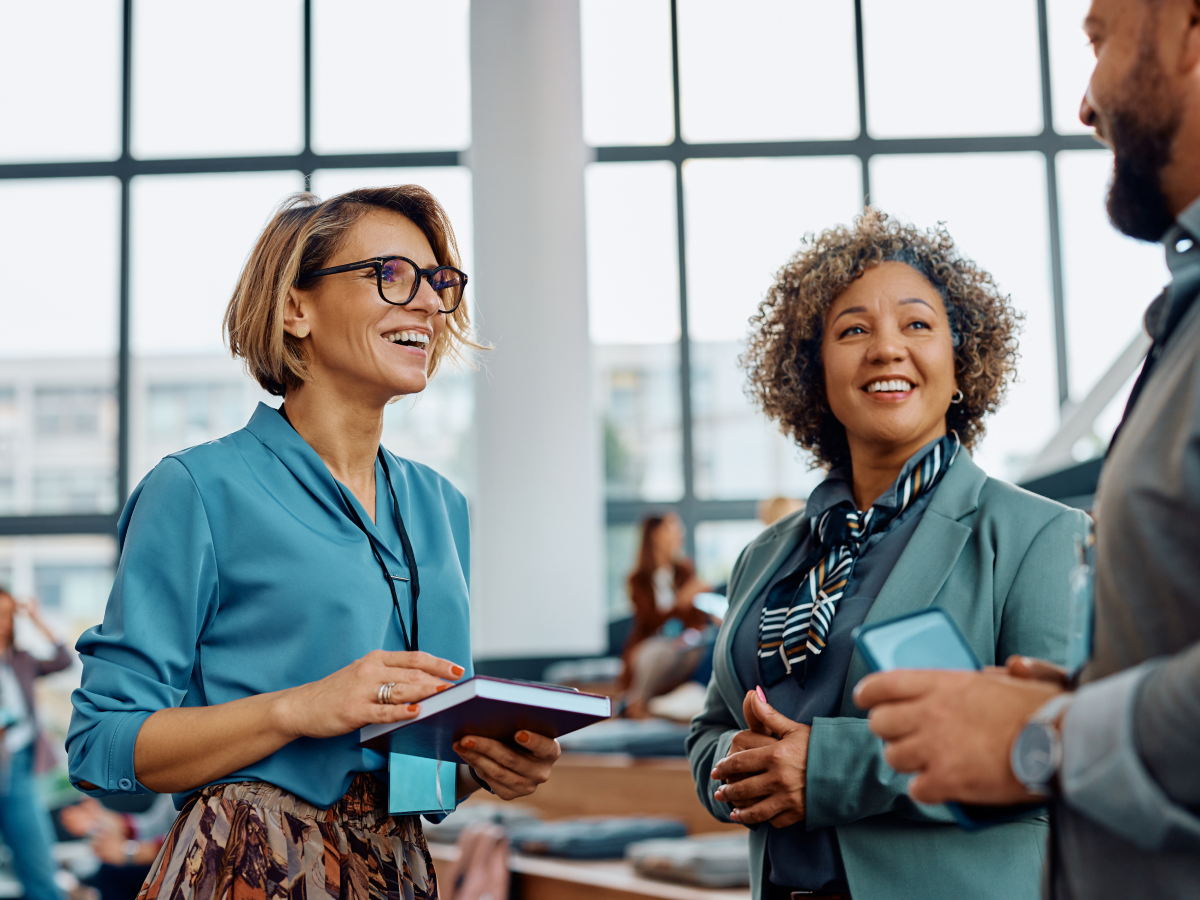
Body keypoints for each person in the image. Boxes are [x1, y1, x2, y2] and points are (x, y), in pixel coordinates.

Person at [66, 187, 564, 900]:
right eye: (391, 275)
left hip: (397, 868)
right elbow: (100, 744)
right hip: (244, 864)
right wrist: (296, 708)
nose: (426, 302)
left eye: (438, 283)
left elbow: (418, 780)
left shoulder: (440, 506)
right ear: (295, 308)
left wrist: (480, 766)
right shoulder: (198, 489)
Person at [854, 1, 1200, 896]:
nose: (1086, 104)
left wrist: (1048, 732)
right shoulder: (1182, 323)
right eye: (850, 330)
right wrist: (1080, 697)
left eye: (1100, 40)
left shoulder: (1027, 528)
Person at [686, 210, 1090, 900]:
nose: (885, 349)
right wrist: (738, 767)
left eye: (917, 325)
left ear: (961, 364)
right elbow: (709, 731)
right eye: (852, 330)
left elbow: (1056, 751)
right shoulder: (766, 558)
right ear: (815, 375)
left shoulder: (1039, 537)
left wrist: (826, 770)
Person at [0, 589, 71, 900]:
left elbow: (63, 659)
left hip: (19, 768)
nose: (1, 621)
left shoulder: (22, 660)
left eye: (6, 614)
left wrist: (35, 616)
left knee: (39, 868)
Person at [619, 514, 712, 717]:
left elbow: (696, 619)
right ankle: (638, 702)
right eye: (672, 528)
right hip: (651, 645)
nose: (679, 533)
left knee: (709, 644)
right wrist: (681, 602)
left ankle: (645, 703)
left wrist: (702, 602)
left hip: (684, 644)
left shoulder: (684, 571)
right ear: (655, 535)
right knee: (658, 652)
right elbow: (648, 621)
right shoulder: (638, 580)